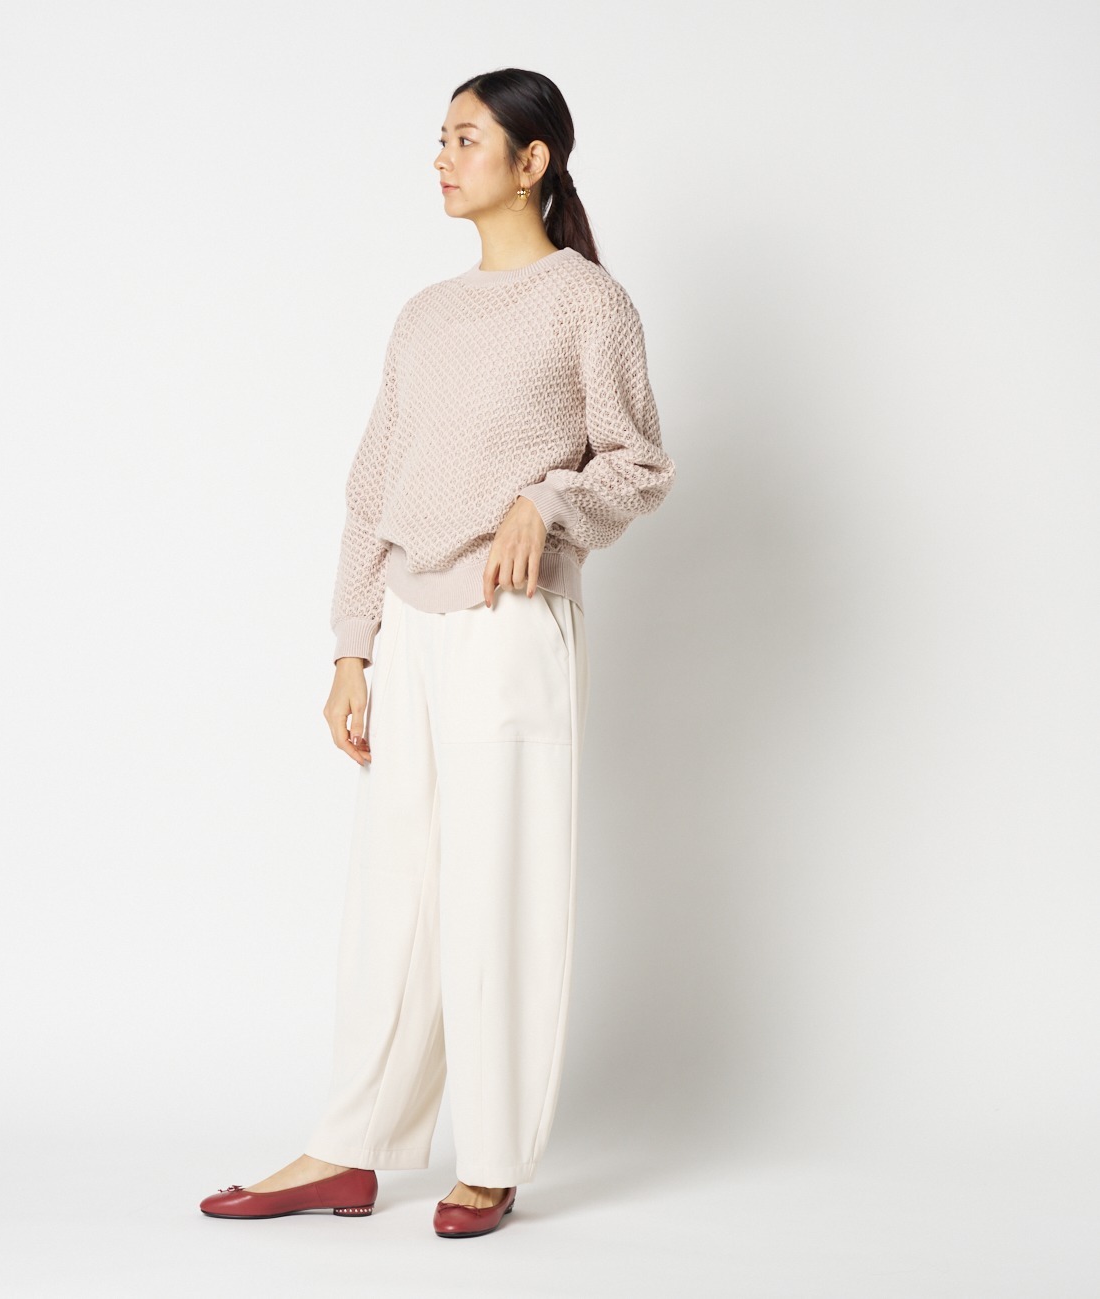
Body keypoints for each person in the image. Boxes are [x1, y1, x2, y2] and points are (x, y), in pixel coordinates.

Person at [199, 66, 675, 1239]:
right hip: (409, 626)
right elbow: (373, 491)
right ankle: (347, 1147)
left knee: (499, 884)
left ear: (532, 160)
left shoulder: (588, 304)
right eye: (441, 138)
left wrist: (546, 501)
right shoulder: (424, 315)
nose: (442, 158)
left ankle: (493, 1158)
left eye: (467, 138)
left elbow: (638, 463)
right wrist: (350, 650)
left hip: (509, 623)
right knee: (394, 892)